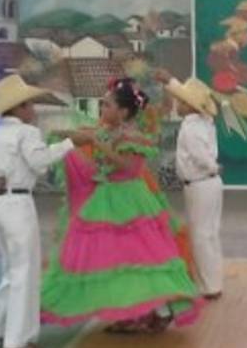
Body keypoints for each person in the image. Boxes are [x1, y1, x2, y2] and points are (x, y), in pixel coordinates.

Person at [40, 78, 202, 334]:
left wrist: (97, 143)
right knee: (118, 260)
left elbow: (129, 167)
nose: (102, 110)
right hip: (107, 199)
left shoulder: (133, 136)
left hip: (130, 200)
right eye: (103, 105)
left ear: (123, 111)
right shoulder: (107, 132)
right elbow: (85, 136)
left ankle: (154, 311)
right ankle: (132, 311)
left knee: (140, 258)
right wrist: (62, 135)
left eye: (107, 105)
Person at [0, 76, 89, 348]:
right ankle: (18, 340)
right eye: (30, 104)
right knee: (26, 271)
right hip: (18, 204)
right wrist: (70, 143)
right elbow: (40, 162)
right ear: (20, 108)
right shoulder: (27, 133)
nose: (34, 109)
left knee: (11, 267)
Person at [156, 70, 225, 301]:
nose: (177, 104)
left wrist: (212, 166)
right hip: (209, 183)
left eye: (181, 101)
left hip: (200, 182)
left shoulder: (191, 126)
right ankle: (213, 281)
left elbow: (198, 155)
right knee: (210, 233)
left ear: (189, 105)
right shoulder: (204, 120)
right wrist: (170, 80)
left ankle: (208, 286)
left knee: (201, 235)